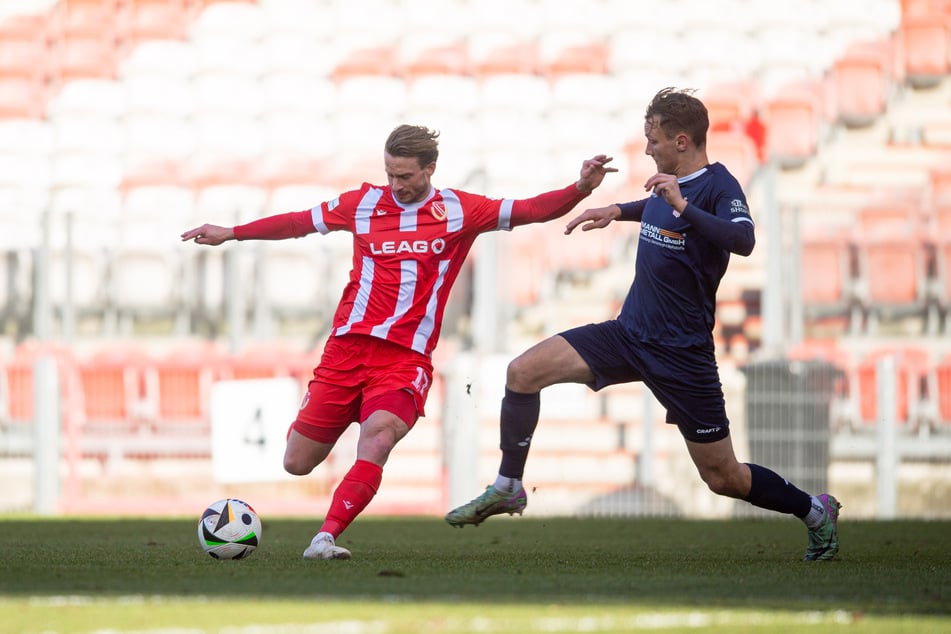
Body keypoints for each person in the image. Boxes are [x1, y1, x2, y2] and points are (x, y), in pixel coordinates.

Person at [181, 124, 617, 560]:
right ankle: (341, 413)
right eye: (390, 174)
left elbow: (529, 211)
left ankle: (325, 537)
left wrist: (579, 188)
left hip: (403, 359)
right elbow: (298, 223)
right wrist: (233, 232)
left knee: (378, 438)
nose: (396, 185)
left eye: (405, 176)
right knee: (296, 462)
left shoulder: (458, 210)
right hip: (346, 352)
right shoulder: (363, 203)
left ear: (430, 169)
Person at [444, 88, 842, 562]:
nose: (646, 148)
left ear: (680, 140)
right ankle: (509, 486)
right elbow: (656, 207)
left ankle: (815, 511)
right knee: (522, 372)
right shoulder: (666, 185)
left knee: (723, 478)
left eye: (652, 139)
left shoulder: (718, 186)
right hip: (628, 335)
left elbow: (744, 240)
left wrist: (684, 207)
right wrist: (617, 210)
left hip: (682, 353)